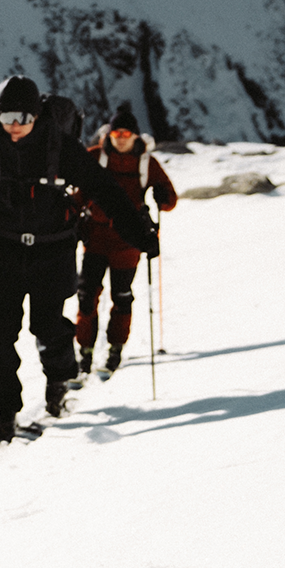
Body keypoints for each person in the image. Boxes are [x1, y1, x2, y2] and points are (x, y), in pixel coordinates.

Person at [0, 76, 152, 441]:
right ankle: (3, 410)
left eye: (23, 117)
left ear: (38, 115)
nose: (14, 125)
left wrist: (138, 235)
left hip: (53, 250)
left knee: (48, 328)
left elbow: (103, 189)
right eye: (6, 116)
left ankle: (59, 381)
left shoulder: (61, 147)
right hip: (3, 249)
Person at [75, 104, 178, 378]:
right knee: (87, 296)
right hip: (96, 238)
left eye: (126, 132)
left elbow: (170, 199)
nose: (120, 137)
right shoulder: (95, 157)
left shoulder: (146, 163)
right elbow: (79, 193)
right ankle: (85, 351)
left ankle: (114, 347)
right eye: (116, 132)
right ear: (108, 133)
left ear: (135, 136)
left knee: (121, 297)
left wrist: (162, 197)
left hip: (127, 242)